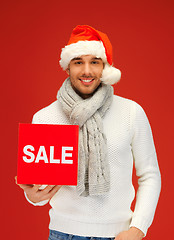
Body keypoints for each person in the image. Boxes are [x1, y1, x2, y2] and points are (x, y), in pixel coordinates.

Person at [15, 25, 161, 240]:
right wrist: (32, 196)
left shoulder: (131, 112)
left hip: (119, 235)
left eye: (94, 62)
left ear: (105, 67)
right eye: (78, 62)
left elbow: (150, 175)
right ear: (67, 68)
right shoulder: (45, 118)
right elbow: (40, 190)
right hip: (62, 234)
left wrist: (138, 229)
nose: (87, 71)